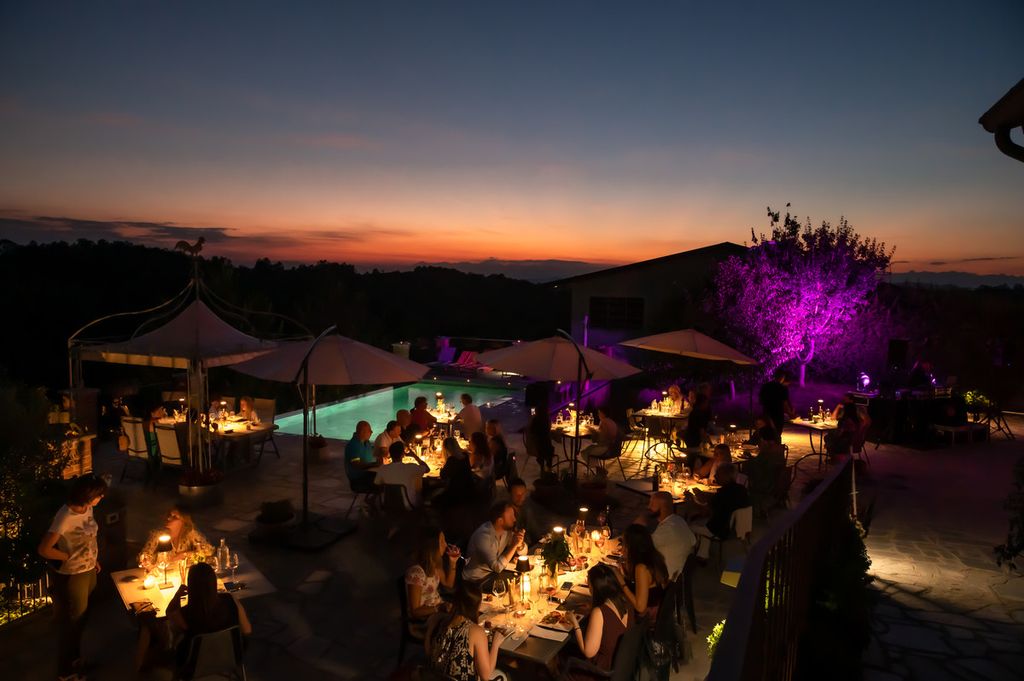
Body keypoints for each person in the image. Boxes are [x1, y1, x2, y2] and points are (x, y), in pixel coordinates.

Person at [38, 475, 108, 681]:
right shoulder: (65, 516)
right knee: (73, 623)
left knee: (82, 620)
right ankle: (65, 672)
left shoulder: (88, 509)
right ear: (88, 495)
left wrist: (92, 558)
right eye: (99, 494)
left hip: (88, 570)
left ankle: (76, 662)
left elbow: (87, 537)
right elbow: (44, 549)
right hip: (74, 575)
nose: (102, 497)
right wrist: (67, 556)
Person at [167, 562, 252, 673]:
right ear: (214, 583)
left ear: (191, 586)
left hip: (195, 666)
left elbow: (169, 612)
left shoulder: (186, 614)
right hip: (231, 658)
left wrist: (177, 596)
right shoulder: (230, 601)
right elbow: (247, 630)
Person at [425, 581, 507, 681]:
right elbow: (485, 676)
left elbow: (428, 655)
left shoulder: (438, 620)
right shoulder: (476, 631)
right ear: (476, 606)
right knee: (503, 674)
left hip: (436, 678)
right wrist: (495, 644)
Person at [562, 564, 631, 679]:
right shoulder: (625, 601)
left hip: (601, 672)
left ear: (595, 588)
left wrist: (575, 623)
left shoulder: (599, 612)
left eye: (589, 585)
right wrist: (591, 609)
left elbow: (588, 652)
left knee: (562, 654)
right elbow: (612, 621)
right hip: (622, 666)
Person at [691, 464, 751, 560]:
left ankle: (687, 556)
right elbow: (716, 502)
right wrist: (703, 496)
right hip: (737, 529)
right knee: (706, 523)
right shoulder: (741, 490)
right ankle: (702, 556)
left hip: (719, 531)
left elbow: (704, 512)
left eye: (717, 474)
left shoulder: (723, 494)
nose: (715, 476)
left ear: (725, 476)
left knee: (689, 525)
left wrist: (690, 501)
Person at [462, 502, 525, 588]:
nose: (514, 519)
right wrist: (514, 546)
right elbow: (497, 567)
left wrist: (520, 545)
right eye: (511, 516)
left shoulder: (506, 531)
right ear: (500, 521)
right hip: (475, 581)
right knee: (515, 587)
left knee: (521, 580)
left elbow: (523, 552)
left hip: (493, 575)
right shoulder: (483, 537)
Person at [406, 526, 460, 625]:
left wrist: (453, 562)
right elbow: (415, 611)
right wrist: (438, 608)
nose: (445, 544)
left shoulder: (434, 566)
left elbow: (448, 584)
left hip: (438, 611)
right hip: (426, 619)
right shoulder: (416, 572)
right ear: (432, 546)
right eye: (442, 541)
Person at [616, 523, 670, 620]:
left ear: (632, 547)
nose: (622, 548)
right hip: (657, 609)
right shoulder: (654, 557)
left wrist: (622, 582)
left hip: (647, 618)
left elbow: (640, 608)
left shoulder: (641, 568)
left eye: (624, 544)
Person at [137, 505, 213, 567]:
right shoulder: (158, 535)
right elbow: (145, 554)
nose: (168, 518)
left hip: (184, 574)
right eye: (169, 515)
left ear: (183, 521)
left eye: (174, 517)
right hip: (162, 575)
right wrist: (145, 559)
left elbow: (208, 551)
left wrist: (184, 555)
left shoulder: (191, 533)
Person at [645, 491, 696, 580]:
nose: (648, 507)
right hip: (682, 573)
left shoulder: (666, 529)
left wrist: (638, 525)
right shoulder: (679, 520)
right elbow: (693, 541)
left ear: (663, 508)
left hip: (668, 578)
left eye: (652, 504)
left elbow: (642, 546)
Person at [376, 441, 430, 508]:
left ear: (390, 454)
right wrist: (415, 456)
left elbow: (377, 484)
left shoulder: (382, 469)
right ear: (403, 454)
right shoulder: (411, 467)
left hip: (388, 504)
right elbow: (427, 469)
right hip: (408, 505)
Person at [435, 437, 476, 509]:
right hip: (468, 488)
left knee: (434, 499)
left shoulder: (452, 459)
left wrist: (442, 468)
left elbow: (443, 475)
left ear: (446, 449)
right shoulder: (465, 456)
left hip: (457, 492)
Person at [345, 421, 378, 501]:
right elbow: (356, 464)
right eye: (369, 430)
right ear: (362, 432)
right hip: (358, 480)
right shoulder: (353, 445)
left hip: (367, 474)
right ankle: (374, 502)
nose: (371, 432)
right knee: (383, 483)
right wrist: (373, 464)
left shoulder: (366, 442)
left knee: (384, 478)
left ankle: (373, 501)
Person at [507, 478, 545, 546]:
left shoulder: (526, 508)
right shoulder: (506, 514)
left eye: (523, 494)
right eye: (517, 495)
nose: (521, 498)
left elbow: (534, 530)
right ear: (510, 494)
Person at [759, 370, 796, 435]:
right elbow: (785, 404)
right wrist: (790, 414)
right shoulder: (782, 388)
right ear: (783, 377)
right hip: (778, 415)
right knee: (776, 434)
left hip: (766, 414)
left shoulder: (765, 386)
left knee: (766, 433)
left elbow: (761, 400)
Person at [526, 406, 555, 472]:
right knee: (548, 448)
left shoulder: (535, 420)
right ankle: (549, 467)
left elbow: (531, 430)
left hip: (537, 445)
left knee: (544, 448)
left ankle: (543, 467)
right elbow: (548, 429)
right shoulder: (546, 419)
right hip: (544, 446)